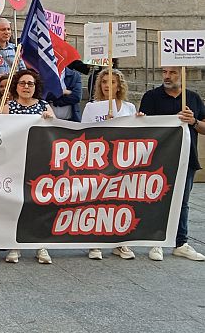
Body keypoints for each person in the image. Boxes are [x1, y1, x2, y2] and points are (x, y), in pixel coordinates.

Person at [139, 66, 205, 262]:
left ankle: (180, 243)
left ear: (183, 74)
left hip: (187, 158)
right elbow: (143, 128)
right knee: (158, 199)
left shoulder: (193, 98)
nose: (167, 76)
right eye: (164, 72)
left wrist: (194, 121)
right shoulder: (151, 97)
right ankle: (156, 242)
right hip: (159, 159)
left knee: (182, 203)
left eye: (173, 72)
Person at [81, 69, 140, 260]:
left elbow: (136, 134)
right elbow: (83, 133)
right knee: (98, 201)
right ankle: (95, 243)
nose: (107, 85)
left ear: (119, 85)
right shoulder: (92, 107)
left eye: (112, 82)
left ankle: (120, 242)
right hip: (100, 160)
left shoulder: (129, 107)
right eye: (104, 82)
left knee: (121, 201)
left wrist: (141, 121)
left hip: (122, 161)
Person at [1, 70, 55, 265]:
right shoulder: (8, 107)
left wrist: (50, 119)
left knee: (38, 203)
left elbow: (55, 132)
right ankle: (14, 245)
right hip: (15, 161)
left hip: (39, 162)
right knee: (16, 202)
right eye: (22, 83)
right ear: (15, 86)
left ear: (35, 87)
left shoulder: (44, 106)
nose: (26, 87)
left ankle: (41, 245)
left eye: (30, 83)